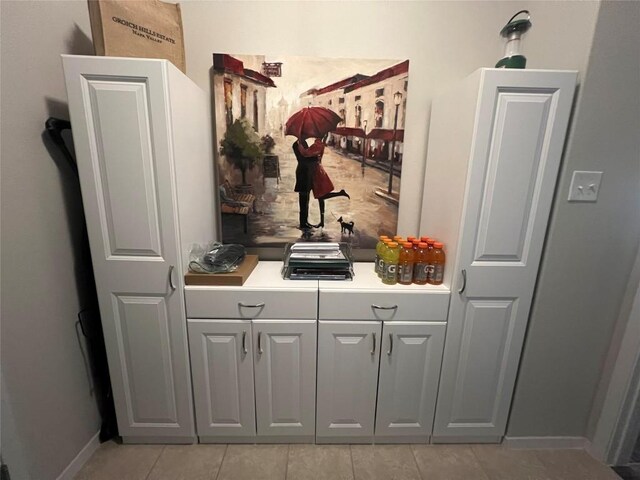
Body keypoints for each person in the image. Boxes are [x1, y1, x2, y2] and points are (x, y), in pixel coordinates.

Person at [297, 137, 349, 228]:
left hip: (317, 173)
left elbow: (306, 153)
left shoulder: (317, 145)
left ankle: (340, 193)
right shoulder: (319, 144)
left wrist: (299, 145)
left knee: (321, 196)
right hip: (317, 171)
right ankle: (322, 221)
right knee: (321, 198)